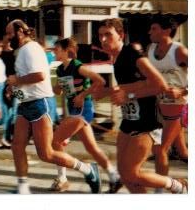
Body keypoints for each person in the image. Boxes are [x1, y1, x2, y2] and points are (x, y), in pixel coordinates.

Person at [5, 19, 101, 194]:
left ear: (20, 32)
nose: (7, 38)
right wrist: (13, 91)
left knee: (46, 153)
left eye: (10, 33)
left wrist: (16, 80)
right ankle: (23, 187)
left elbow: (40, 76)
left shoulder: (31, 48)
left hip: (41, 103)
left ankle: (87, 170)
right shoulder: (20, 51)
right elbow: (26, 87)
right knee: (17, 146)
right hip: (26, 104)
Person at [95, 18, 186, 193]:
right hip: (129, 121)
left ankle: (178, 186)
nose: (103, 39)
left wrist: (127, 94)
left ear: (121, 35)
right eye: (100, 35)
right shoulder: (117, 57)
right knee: (126, 176)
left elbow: (160, 85)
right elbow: (131, 85)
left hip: (148, 122)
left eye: (108, 34)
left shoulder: (131, 53)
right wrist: (105, 92)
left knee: (131, 172)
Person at [50, 37, 122, 193]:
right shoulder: (60, 69)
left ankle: (63, 179)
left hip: (84, 109)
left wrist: (82, 95)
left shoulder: (78, 66)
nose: (54, 52)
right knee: (92, 148)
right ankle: (114, 175)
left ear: (65, 51)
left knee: (56, 141)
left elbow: (100, 81)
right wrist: (56, 89)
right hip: (73, 110)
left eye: (56, 49)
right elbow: (60, 90)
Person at [147, 17, 188, 192]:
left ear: (166, 31)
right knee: (183, 152)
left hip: (179, 106)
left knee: (161, 149)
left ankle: (160, 191)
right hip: (159, 107)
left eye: (154, 28)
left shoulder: (179, 52)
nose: (150, 32)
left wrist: (182, 91)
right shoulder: (151, 49)